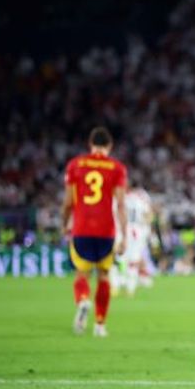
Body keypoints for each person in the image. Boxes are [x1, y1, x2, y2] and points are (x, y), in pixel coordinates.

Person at [62, 127, 128, 337]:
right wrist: (124, 235)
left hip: (81, 228)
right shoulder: (116, 168)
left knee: (82, 273)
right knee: (104, 276)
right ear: (109, 146)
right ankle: (100, 325)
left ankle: (82, 301)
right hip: (106, 230)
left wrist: (65, 224)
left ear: (90, 144)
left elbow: (67, 203)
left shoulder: (75, 165)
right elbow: (120, 205)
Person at [112, 185, 154, 297]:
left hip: (123, 229)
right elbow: (149, 215)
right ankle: (131, 288)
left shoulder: (120, 199)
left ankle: (117, 283)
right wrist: (145, 227)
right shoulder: (141, 199)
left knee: (119, 258)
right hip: (137, 231)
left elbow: (115, 214)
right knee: (134, 260)